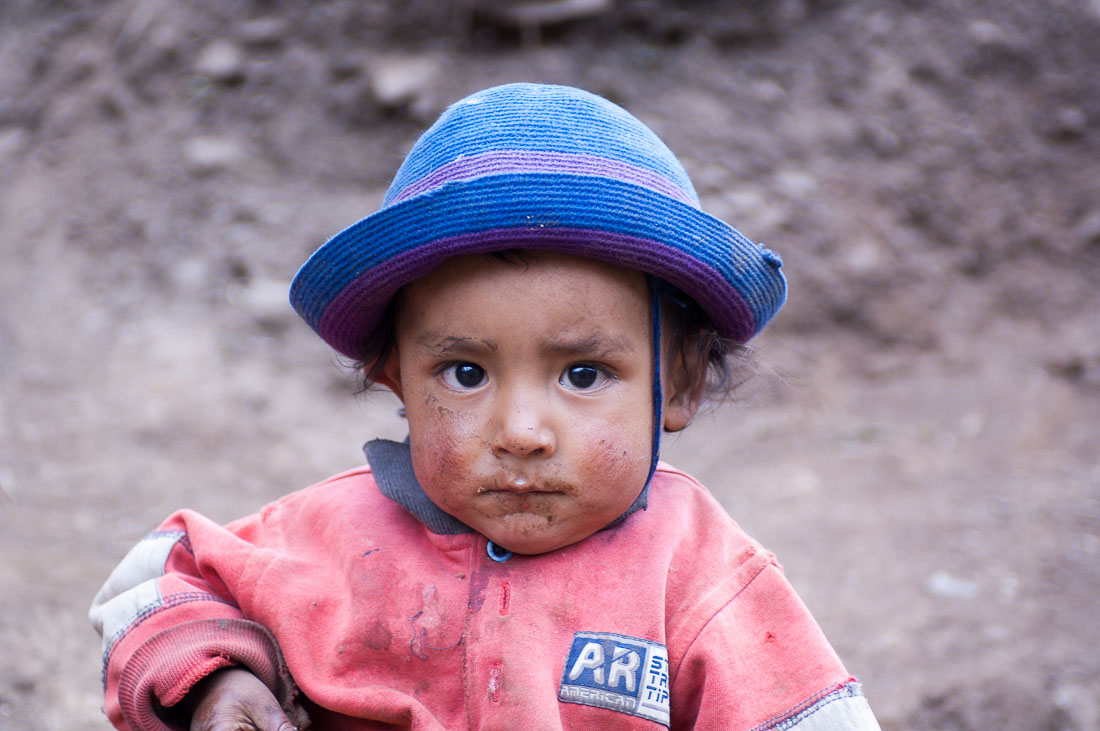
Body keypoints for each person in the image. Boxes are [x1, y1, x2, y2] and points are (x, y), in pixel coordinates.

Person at [90, 82, 880, 730]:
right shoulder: (327, 540)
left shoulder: (700, 575)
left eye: (582, 374)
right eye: (465, 373)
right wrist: (214, 682)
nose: (522, 433)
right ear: (393, 371)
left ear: (678, 383)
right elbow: (160, 581)